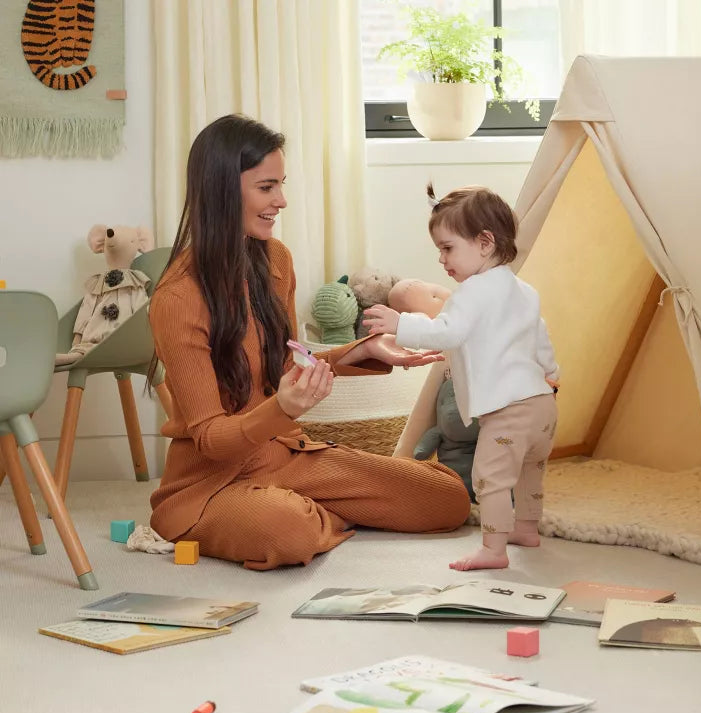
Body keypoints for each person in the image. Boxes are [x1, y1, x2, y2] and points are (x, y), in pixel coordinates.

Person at [146, 115, 470, 571]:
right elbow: (211, 440)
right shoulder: (177, 298)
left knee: (447, 498)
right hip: (210, 485)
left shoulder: (275, 260)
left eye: (281, 184)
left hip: (289, 458)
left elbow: (285, 365)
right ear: (221, 189)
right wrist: (284, 409)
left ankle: (315, 511)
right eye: (266, 187)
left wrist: (357, 351)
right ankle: (306, 514)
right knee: (287, 531)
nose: (281, 200)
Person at [364, 183, 559, 571]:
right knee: (528, 470)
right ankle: (526, 528)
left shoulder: (471, 292)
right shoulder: (525, 291)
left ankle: (494, 548)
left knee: (490, 476)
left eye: (447, 248)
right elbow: (540, 338)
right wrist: (553, 373)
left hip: (509, 411)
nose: (441, 259)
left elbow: (447, 332)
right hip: (542, 405)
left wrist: (401, 323)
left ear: (484, 243)